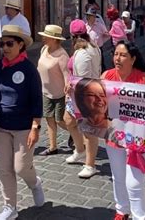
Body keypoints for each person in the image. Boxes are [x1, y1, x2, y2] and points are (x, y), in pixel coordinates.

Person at [0, 25, 45, 220]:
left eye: (9, 43)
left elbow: (37, 100)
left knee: (21, 167)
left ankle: (35, 183)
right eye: (2, 44)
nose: (4, 47)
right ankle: (10, 207)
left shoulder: (29, 69)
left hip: (24, 127)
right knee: (4, 169)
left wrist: (35, 127)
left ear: (20, 44)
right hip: (1, 127)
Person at [101, 41, 145, 220]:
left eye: (123, 55)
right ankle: (122, 210)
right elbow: (93, 97)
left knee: (134, 183)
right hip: (114, 134)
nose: (117, 59)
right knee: (118, 177)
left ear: (133, 59)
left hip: (139, 138)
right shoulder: (106, 76)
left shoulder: (144, 79)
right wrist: (74, 90)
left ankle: (139, 217)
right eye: (116, 54)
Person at [65, 19, 101, 179]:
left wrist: (72, 86)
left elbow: (84, 79)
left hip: (85, 95)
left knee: (89, 130)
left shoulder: (84, 52)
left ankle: (90, 164)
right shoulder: (89, 47)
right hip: (75, 95)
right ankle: (79, 150)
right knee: (68, 120)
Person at [36, 24, 69, 156]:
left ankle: (76, 134)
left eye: (47, 37)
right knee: (49, 118)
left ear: (55, 39)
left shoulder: (62, 56)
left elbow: (67, 77)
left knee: (60, 120)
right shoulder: (44, 49)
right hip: (45, 91)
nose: (44, 39)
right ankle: (53, 146)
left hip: (60, 93)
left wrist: (67, 95)